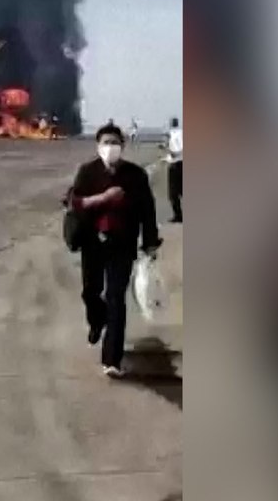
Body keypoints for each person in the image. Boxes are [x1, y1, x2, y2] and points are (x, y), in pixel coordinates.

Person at [68, 122, 162, 378]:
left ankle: (112, 359)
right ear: (98, 146)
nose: (111, 148)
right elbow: (74, 202)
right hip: (92, 243)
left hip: (122, 243)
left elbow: (147, 210)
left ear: (123, 145)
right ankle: (97, 322)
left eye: (115, 143)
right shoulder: (88, 172)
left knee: (115, 298)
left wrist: (150, 242)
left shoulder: (135, 175)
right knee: (91, 292)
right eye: (106, 143)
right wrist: (103, 199)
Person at [165, 117, 183, 223]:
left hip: (176, 164)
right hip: (179, 164)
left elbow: (177, 150)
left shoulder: (175, 134)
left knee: (173, 193)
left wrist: (172, 152)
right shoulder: (179, 133)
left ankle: (178, 216)